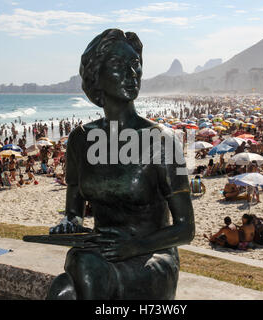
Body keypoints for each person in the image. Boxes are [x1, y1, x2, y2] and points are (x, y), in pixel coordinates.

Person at [47, 29, 194, 300]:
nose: (132, 73)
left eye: (135, 65)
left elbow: (186, 228)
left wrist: (134, 246)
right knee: (61, 292)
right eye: (118, 65)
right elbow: (74, 211)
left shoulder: (163, 140)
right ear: (96, 76)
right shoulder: (81, 139)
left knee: (84, 271)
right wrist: (69, 222)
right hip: (101, 249)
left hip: (151, 255)